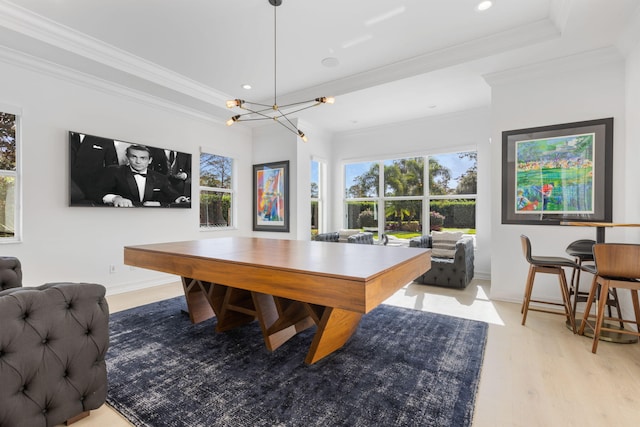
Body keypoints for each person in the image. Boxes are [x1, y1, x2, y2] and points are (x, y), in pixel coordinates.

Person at [92, 144, 190, 207]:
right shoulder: (114, 172)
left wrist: (178, 199)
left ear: (150, 160)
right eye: (134, 157)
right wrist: (115, 198)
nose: (138, 161)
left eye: (143, 158)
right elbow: (96, 193)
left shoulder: (160, 177)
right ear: (128, 158)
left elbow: (172, 195)